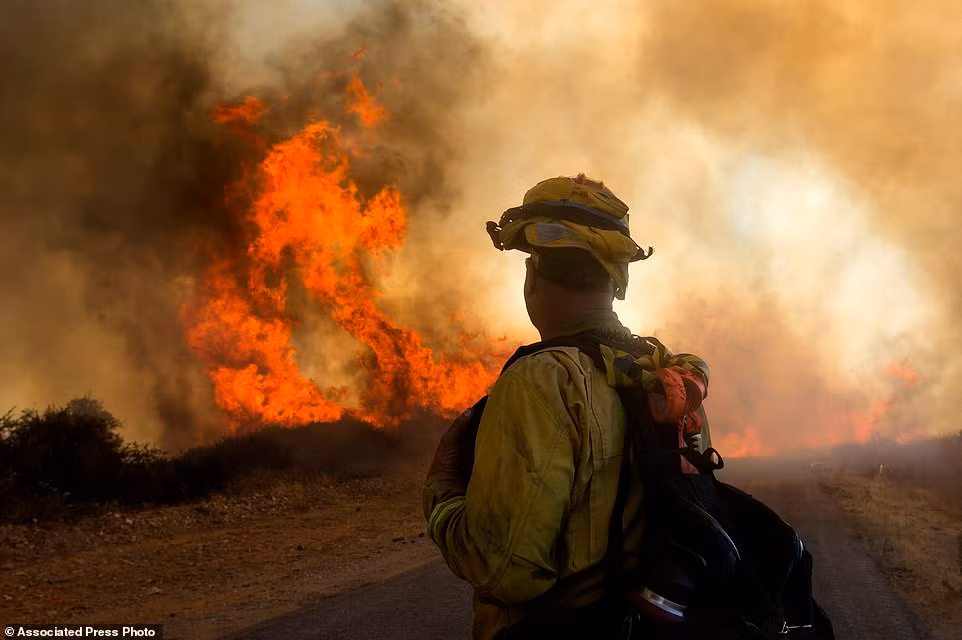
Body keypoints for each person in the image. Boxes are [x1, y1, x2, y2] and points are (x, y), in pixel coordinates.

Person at [422, 174, 713, 640]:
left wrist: (443, 495)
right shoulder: (662, 379)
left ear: (532, 275)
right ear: (617, 279)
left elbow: (506, 571)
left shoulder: (542, 380)